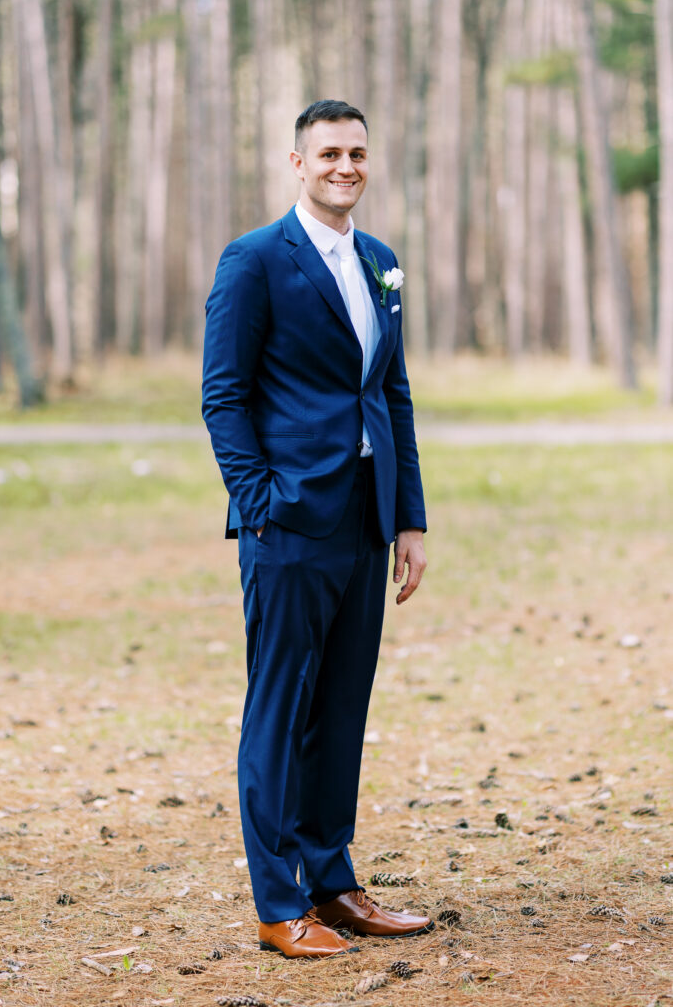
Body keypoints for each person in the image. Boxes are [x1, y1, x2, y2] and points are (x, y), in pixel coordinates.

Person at [202, 100, 431, 959]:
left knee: (340, 707)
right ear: (296, 164)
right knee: (279, 708)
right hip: (287, 521)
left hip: (365, 521)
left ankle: (333, 883)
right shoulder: (256, 260)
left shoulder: (379, 261)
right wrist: (259, 500)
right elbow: (222, 394)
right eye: (329, 152)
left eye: (358, 153)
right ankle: (277, 903)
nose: (346, 165)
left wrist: (408, 516)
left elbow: (391, 394)